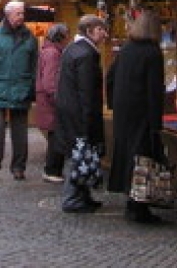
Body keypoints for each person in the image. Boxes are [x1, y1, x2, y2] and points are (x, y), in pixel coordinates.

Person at [107, 8, 168, 224]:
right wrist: (155, 123)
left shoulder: (126, 49)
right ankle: (139, 205)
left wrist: (113, 103)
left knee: (127, 155)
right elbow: (154, 90)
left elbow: (110, 77)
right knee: (142, 157)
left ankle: (131, 202)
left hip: (124, 111)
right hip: (141, 112)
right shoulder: (152, 53)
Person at [0, 0, 38, 180]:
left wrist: (33, 87)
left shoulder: (30, 38)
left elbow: (35, 65)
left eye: (22, 13)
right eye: (18, 13)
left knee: (20, 133)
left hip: (22, 88)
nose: (22, 16)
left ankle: (18, 167)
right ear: (8, 14)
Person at [56, 14, 108, 214]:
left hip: (69, 111)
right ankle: (72, 198)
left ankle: (82, 195)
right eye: (100, 29)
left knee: (80, 154)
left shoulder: (73, 50)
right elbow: (87, 91)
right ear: (89, 31)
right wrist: (88, 120)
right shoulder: (86, 55)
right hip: (78, 113)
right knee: (80, 154)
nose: (104, 33)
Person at [34, 23, 69, 183]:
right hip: (52, 103)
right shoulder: (53, 54)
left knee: (55, 136)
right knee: (56, 136)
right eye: (66, 35)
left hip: (47, 101)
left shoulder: (47, 51)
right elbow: (50, 81)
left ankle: (52, 169)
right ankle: (52, 170)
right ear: (61, 37)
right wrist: (59, 100)